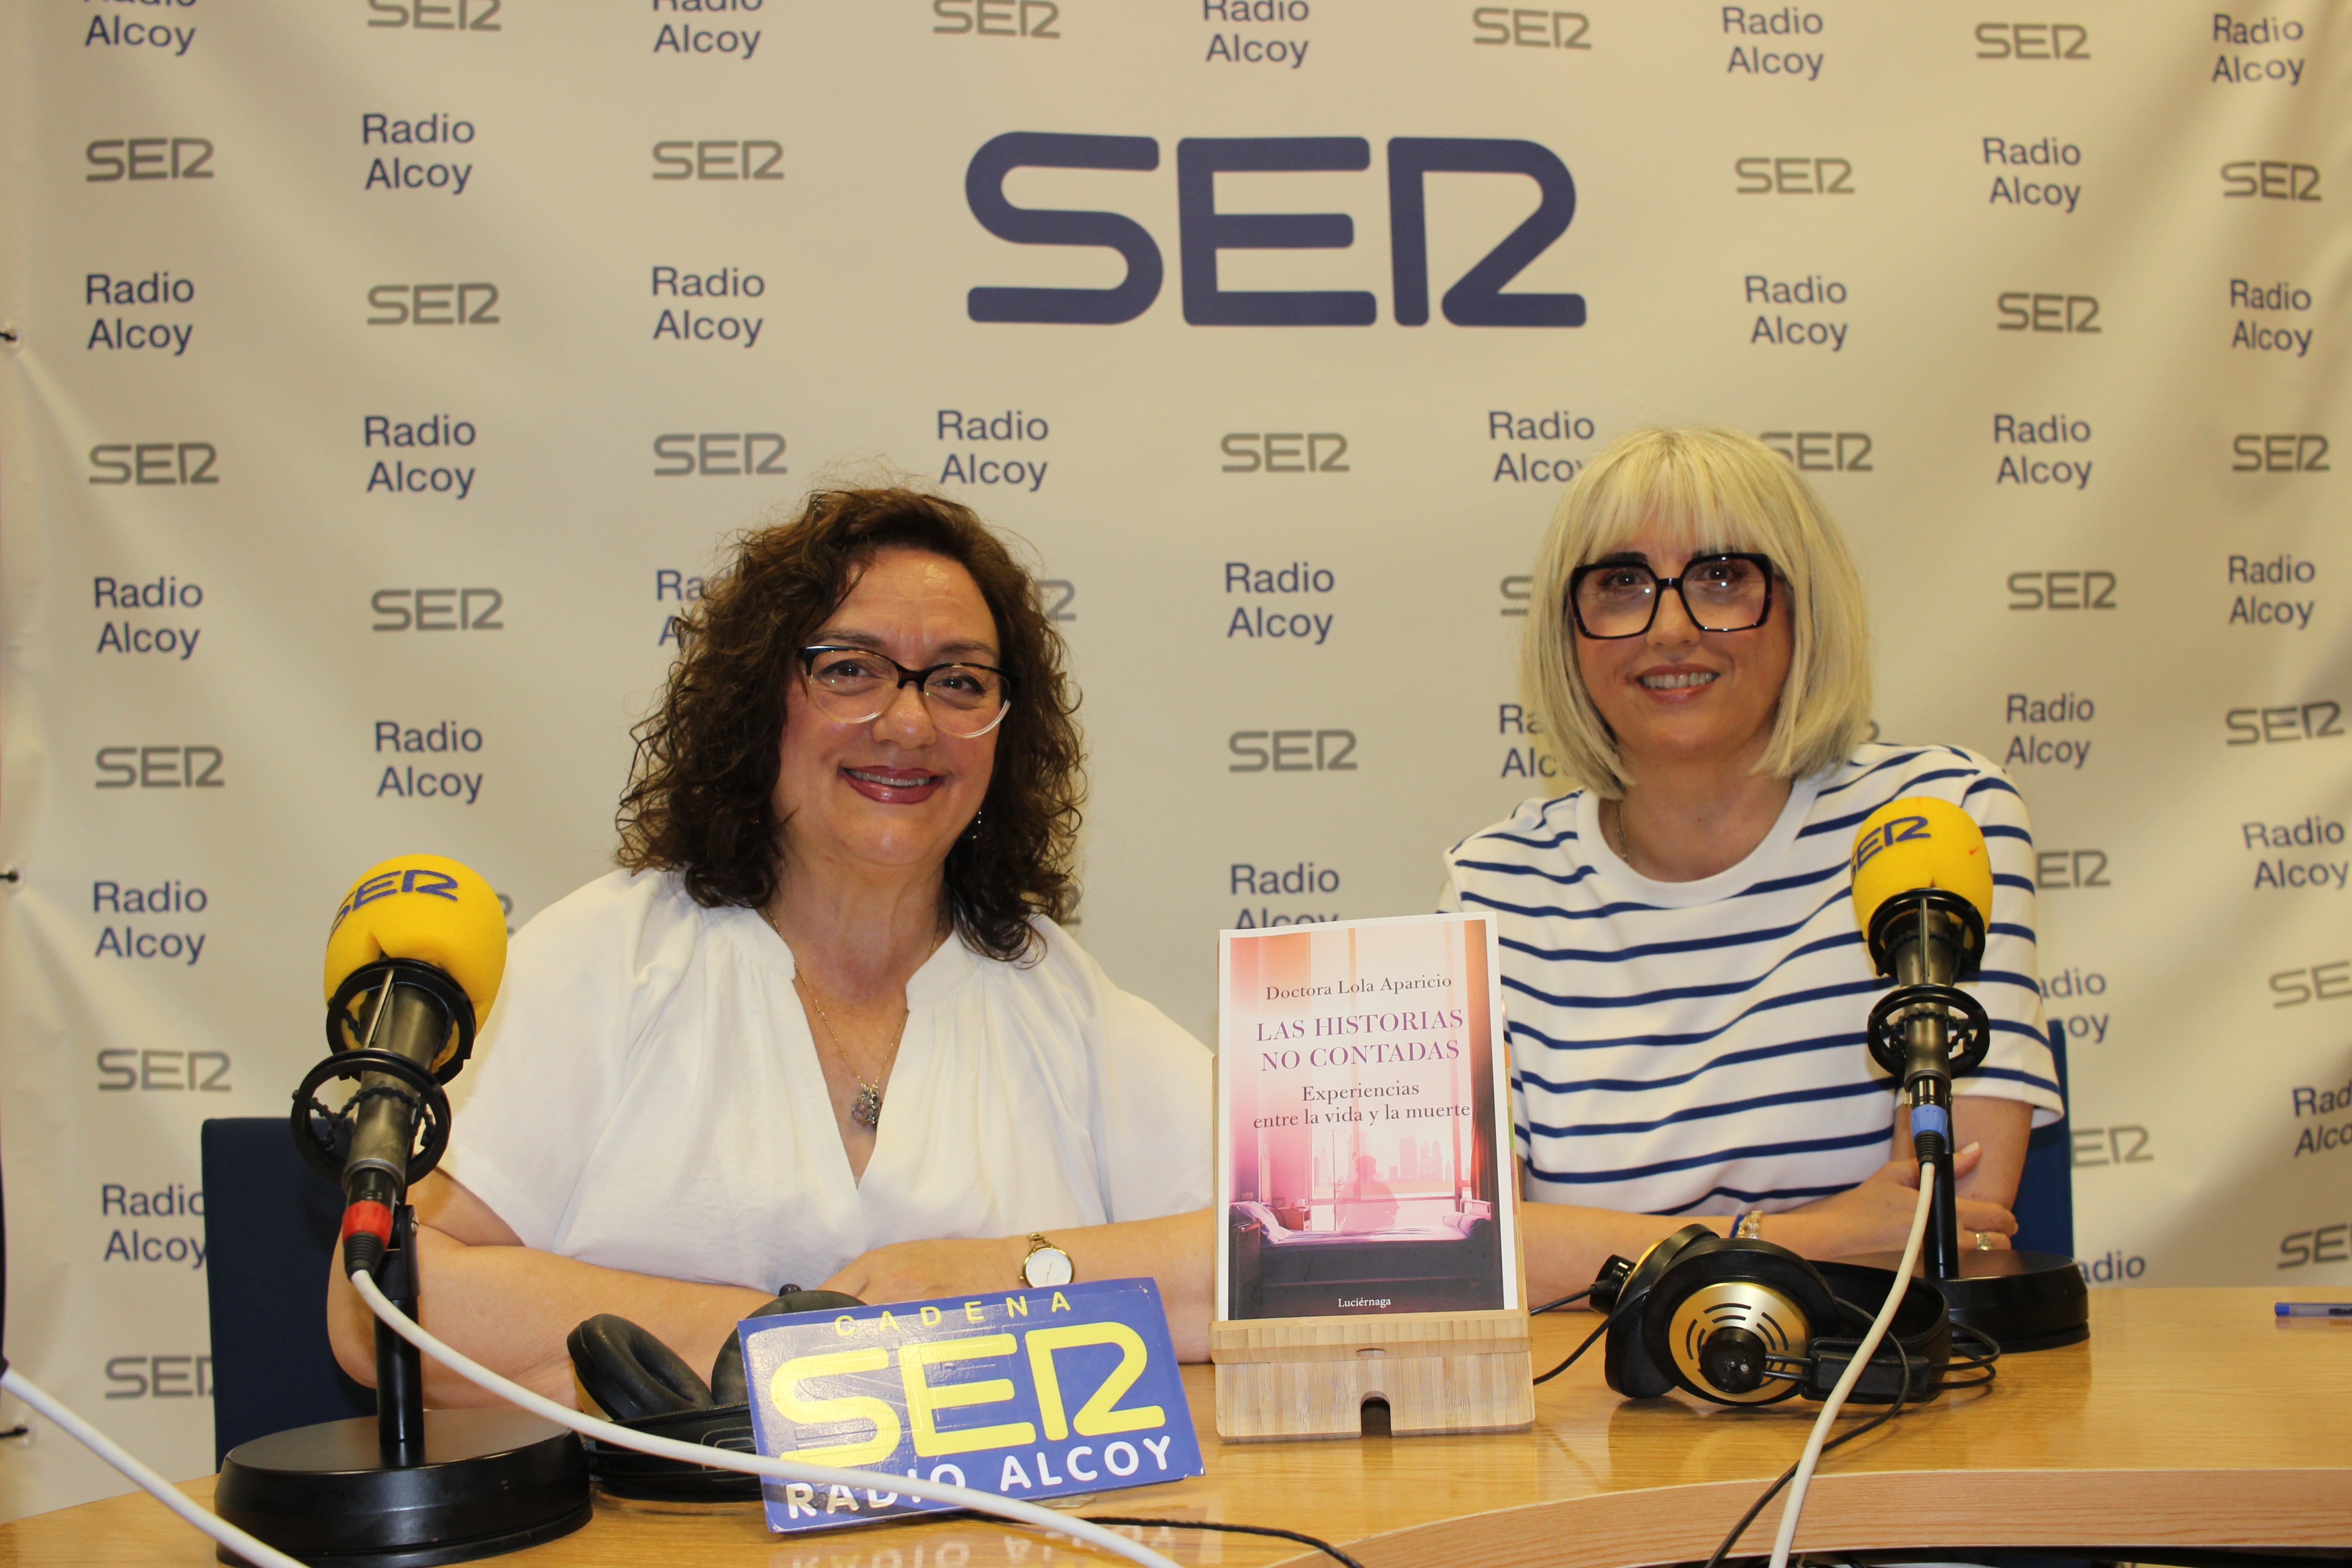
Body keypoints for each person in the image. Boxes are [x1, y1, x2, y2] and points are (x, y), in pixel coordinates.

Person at [329, 489, 1213, 1405]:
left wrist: (999, 1278)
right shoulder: (608, 956)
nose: (910, 722)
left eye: (959, 680)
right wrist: (796, 1340)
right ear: (760, 700)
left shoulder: (1056, 994)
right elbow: (384, 1301)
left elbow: (1282, 1251)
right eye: (850, 668)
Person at [1443, 426, 2062, 1307]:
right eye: (1621, 584)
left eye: (1722, 578)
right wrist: (1802, 1237)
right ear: (1568, 632)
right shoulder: (1493, 886)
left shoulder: (1937, 818)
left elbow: (1948, 1222)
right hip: (1608, 1421)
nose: (1669, 627)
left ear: (1804, 607)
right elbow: (1471, 1256)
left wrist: (1599, 1254)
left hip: (1877, 1409)